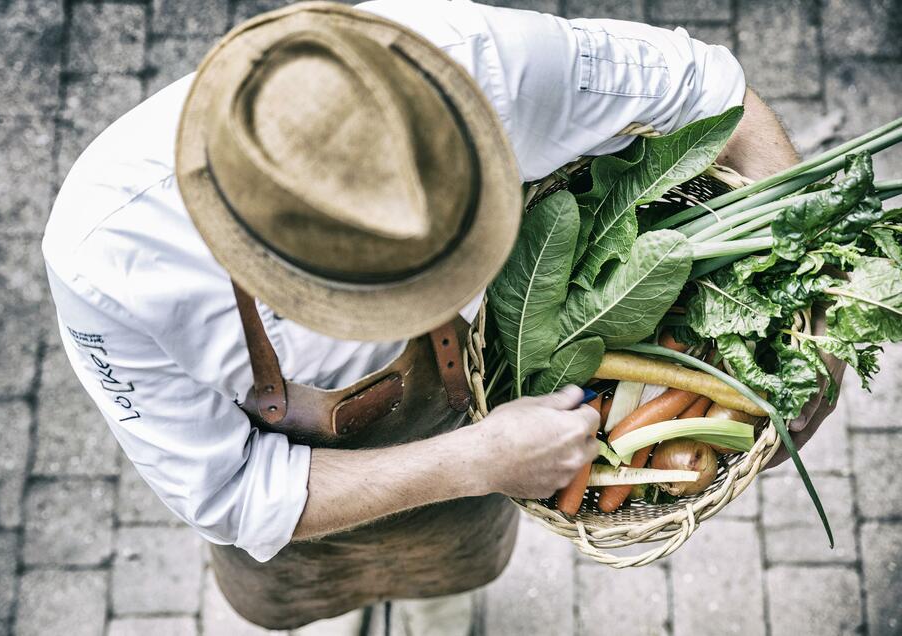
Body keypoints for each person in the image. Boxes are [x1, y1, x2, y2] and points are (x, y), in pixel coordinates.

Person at [42, 0, 839, 632]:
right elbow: (233, 493)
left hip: (488, 439)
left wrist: (822, 307)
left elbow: (707, 90)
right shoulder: (106, 259)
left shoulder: (475, 56)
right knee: (295, 598)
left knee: (453, 573)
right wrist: (475, 462)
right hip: (314, 500)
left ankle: (435, 614)